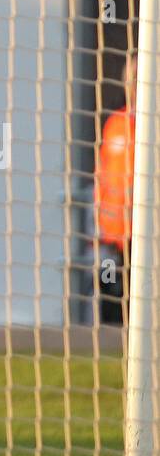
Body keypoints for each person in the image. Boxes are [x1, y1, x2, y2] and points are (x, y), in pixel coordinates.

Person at [96, 55, 136, 325]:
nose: (133, 84)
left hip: (143, 239)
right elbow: (104, 174)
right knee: (111, 305)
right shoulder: (115, 123)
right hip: (113, 239)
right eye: (130, 78)